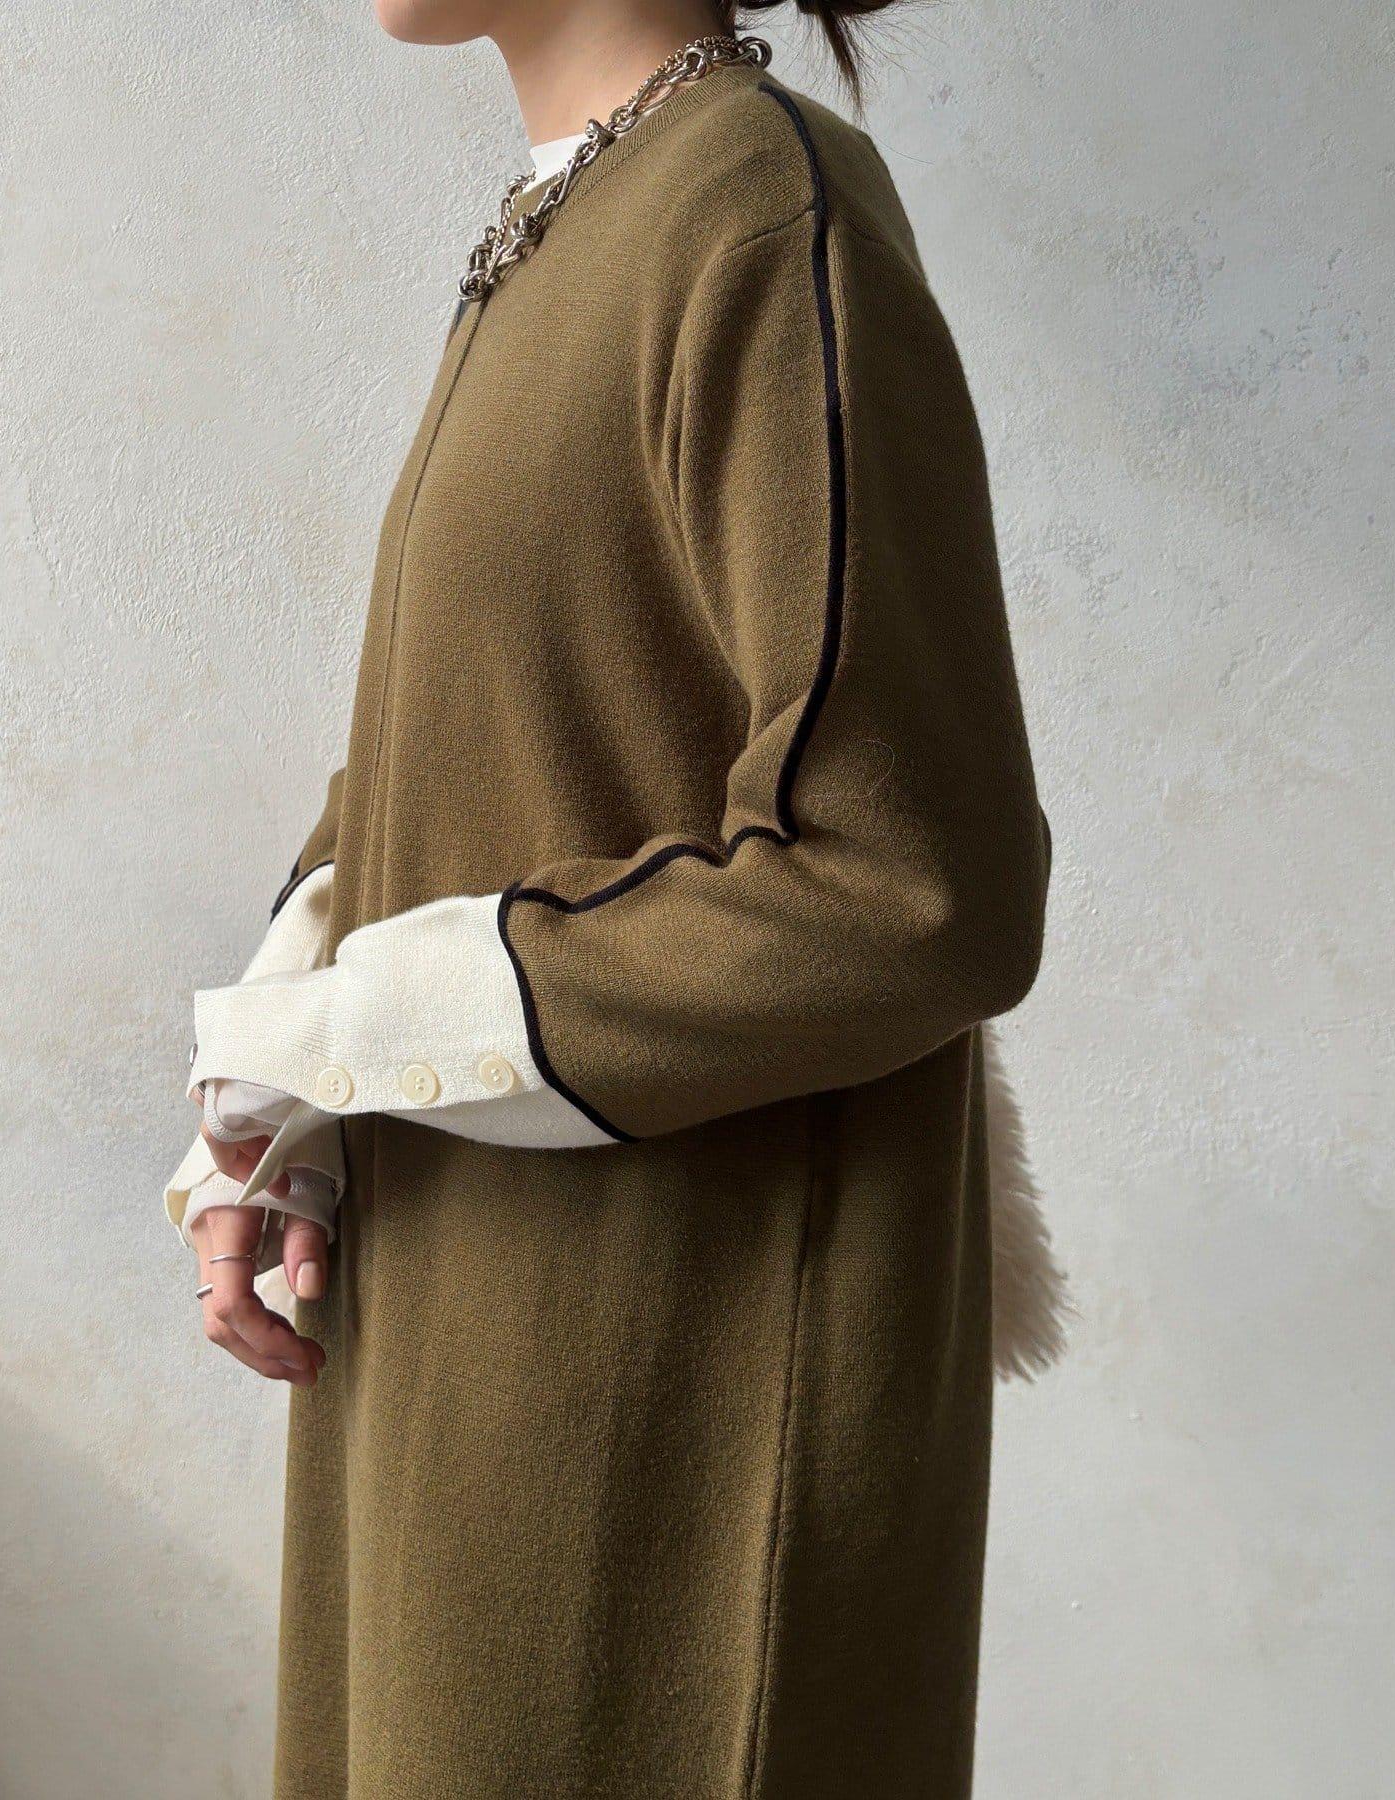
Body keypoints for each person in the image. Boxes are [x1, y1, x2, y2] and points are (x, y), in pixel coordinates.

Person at [164, 1, 1052, 1793]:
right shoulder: (584, 211)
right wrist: (272, 1101)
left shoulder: (756, 209)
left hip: (665, 1426)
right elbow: (475, 749)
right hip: (462, 1364)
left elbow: (915, 884)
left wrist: (355, 1032)